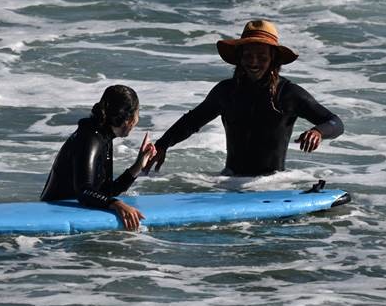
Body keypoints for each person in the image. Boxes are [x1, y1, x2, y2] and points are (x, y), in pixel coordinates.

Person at [150, 19, 343, 176]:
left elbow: (335, 122)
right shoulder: (226, 91)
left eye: (262, 57)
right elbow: (192, 121)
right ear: (240, 58)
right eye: (248, 56)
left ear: (273, 59)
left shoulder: (288, 93)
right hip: (229, 180)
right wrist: (162, 145)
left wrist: (318, 132)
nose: (254, 62)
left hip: (271, 184)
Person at [40, 84, 157, 230]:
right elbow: (84, 191)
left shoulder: (102, 136)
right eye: (138, 112)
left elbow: (105, 192)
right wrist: (117, 204)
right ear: (129, 120)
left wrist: (138, 165)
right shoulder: (90, 138)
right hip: (52, 222)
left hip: (66, 215)